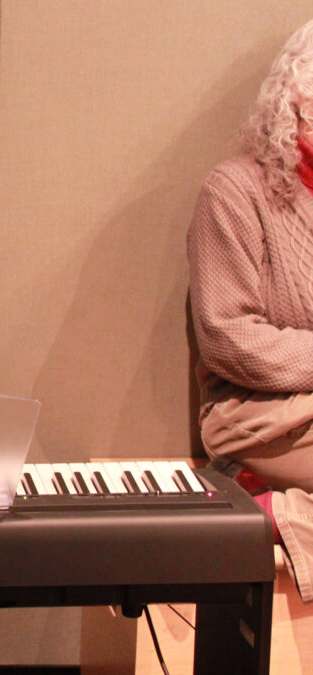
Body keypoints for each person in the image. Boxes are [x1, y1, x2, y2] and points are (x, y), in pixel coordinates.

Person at [188, 18, 313, 604]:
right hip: (259, 414)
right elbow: (228, 335)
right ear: (298, 97)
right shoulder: (235, 191)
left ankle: (284, 516)